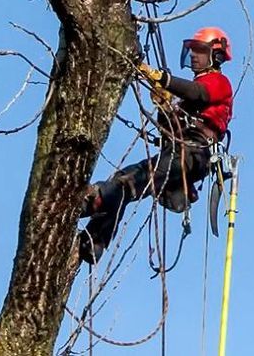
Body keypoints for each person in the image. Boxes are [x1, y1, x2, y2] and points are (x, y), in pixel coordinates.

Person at [77, 26, 234, 264]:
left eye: (199, 51)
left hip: (193, 154)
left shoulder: (218, 82)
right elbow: (170, 130)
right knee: (126, 185)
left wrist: (164, 79)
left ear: (216, 55)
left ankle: (86, 203)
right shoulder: (187, 102)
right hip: (180, 152)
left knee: (129, 180)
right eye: (191, 50)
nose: (193, 55)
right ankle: (94, 241)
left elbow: (198, 93)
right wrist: (164, 105)